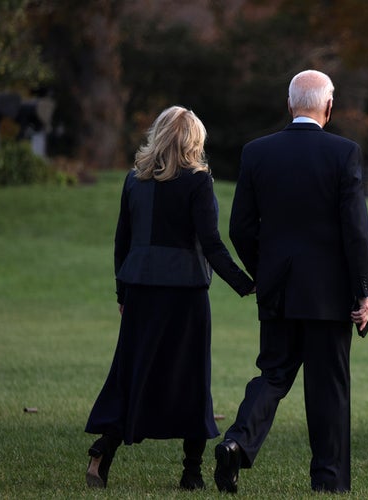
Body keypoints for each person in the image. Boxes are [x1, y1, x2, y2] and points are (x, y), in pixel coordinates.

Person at [215, 69, 368, 494]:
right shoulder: (345, 153)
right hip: (329, 295)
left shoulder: (256, 152)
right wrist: (363, 290)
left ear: (290, 105)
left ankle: (236, 442)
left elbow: (240, 227)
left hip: (278, 290)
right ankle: (328, 481)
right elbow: (355, 230)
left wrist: (263, 270)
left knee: (272, 375)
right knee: (329, 389)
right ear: (328, 106)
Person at [84, 106, 255, 489]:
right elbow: (211, 244)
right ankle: (191, 473)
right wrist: (246, 283)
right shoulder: (198, 181)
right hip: (185, 295)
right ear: (195, 141)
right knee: (190, 379)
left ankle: (104, 448)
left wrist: (122, 293)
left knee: (133, 372)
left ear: (158, 136)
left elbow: (121, 244)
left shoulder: (134, 180)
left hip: (140, 290)